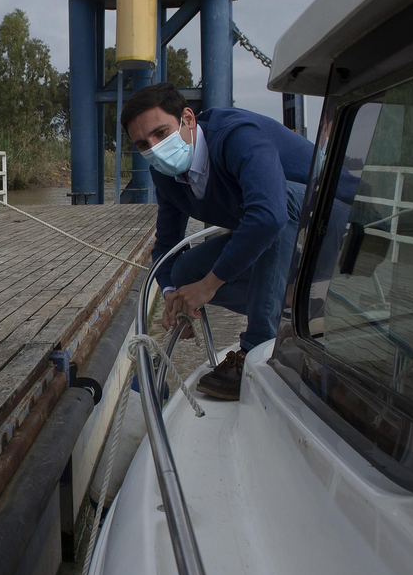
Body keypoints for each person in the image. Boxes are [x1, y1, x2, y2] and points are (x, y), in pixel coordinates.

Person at [123, 83, 316, 400]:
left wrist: (209, 285)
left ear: (188, 119)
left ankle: (257, 349)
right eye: (143, 144)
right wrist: (173, 296)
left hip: (329, 222)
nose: (155, 149)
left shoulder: (237, 136)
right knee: (184, 272)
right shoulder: (165, 175)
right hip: (283, 242)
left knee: (275, 206)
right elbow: (166, 244)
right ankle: (288, 302)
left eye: (161, 133)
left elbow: (269, 215)